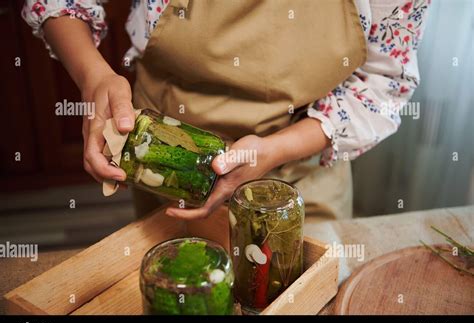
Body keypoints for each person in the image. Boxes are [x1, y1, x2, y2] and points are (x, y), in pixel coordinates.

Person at [23, 0, 430, 221]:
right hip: (168, 162)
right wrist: (95, 79)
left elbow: (381, 86)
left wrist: (274, 151)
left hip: (298, 174)